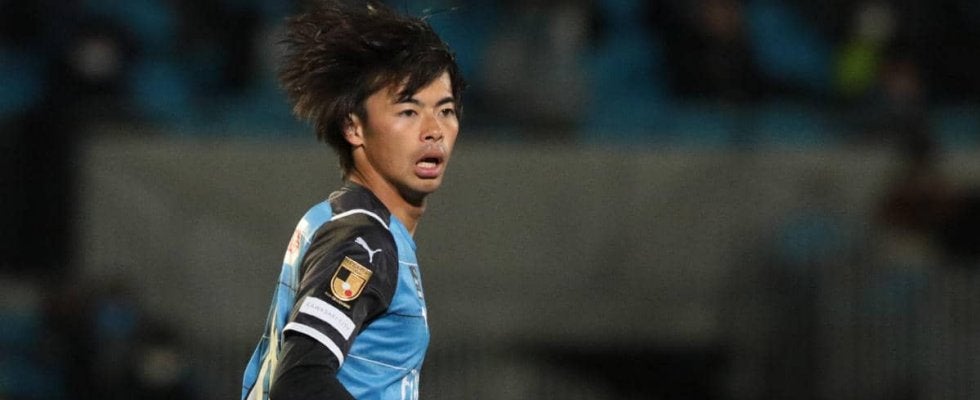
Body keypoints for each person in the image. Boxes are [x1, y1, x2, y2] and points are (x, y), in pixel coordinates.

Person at [241, 1, 465, 399]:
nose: (434, 130)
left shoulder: (333, 218)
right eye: (408, 111)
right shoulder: (364, 241)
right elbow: (300, 382)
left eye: (445, 110)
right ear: (353, 127)